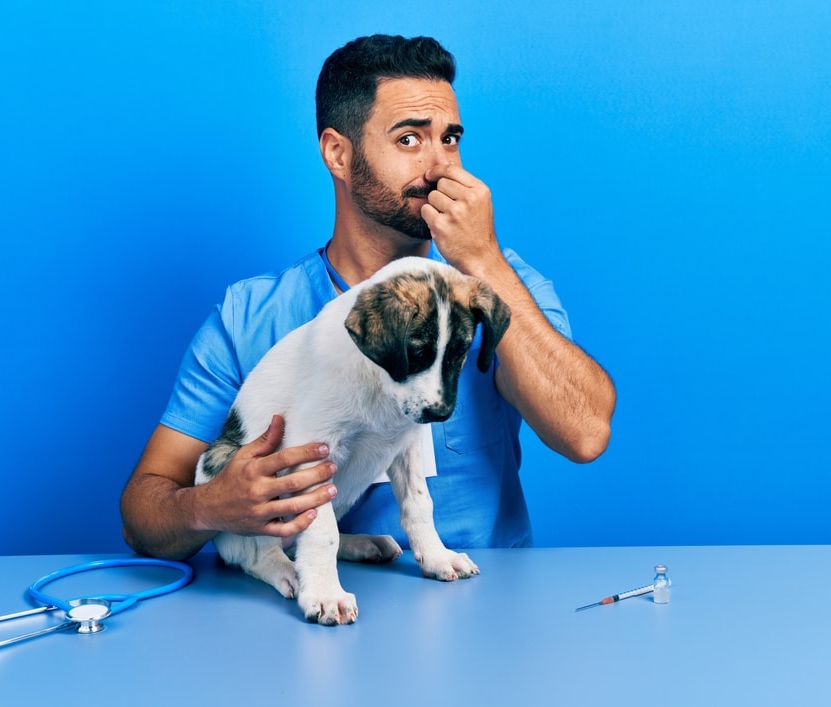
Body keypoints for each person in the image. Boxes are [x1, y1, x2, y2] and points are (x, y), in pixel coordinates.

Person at [120, 34, 615, 561]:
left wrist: (483, 262)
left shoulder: (499, 284)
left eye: (450, 139)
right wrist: (212, 506)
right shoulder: (249, 317)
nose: (440, 166)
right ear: (338, 153)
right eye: (409, 139)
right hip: (309, 615)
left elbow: (584, 434)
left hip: (481, 603)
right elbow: (142, 517)